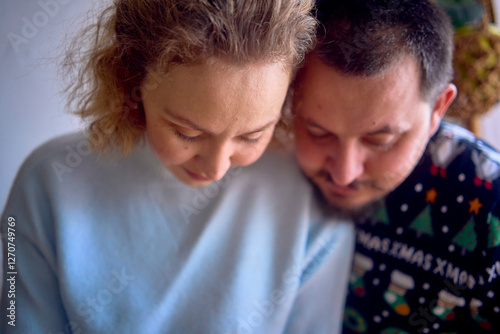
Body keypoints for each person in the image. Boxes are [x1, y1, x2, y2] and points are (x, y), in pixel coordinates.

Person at [0, 1, 354, 333]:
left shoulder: (312, 203)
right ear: (133, 79)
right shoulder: (46, 183)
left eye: (252, 136)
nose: (217, 168)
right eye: (186, 132)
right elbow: (15, 318)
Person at [292, 0, 500, 332]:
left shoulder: (490, 206)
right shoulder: (265, 154)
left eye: (381, 140)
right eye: (318, 132)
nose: (344, 173)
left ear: (438, 109)